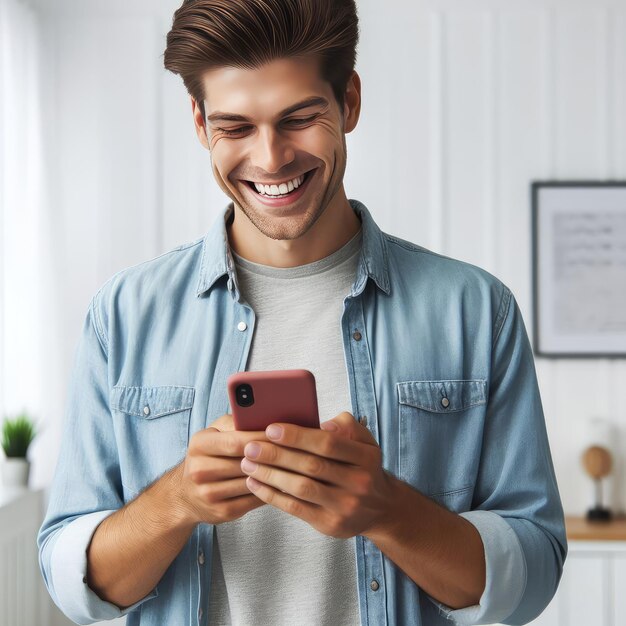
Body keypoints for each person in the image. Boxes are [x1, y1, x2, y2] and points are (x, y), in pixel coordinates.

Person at [37, 1, 567, 625]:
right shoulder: (123, 315)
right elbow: (73, 585)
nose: (270, 159)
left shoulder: (476, 311)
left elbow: (531, 576)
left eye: (299, 118)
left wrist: (388, 510)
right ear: (199, 122)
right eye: (236, 127)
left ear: (349, 102)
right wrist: (176, 500)